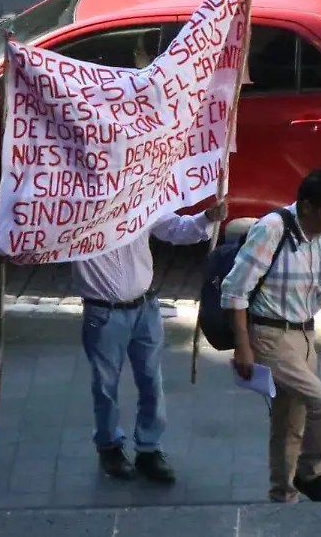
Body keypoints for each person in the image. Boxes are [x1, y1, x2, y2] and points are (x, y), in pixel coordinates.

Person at [223, 169, 321, 504]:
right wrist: (243, 347)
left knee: (289, 422)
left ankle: (283, 495)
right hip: (269, 335)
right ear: (307, 207)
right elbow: (234, 291)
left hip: (305, 335)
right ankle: (311, 473)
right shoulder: (272, 229)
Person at [78, 199, 226, 483]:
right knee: (105, 385)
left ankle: (149, 449)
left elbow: (176, 228)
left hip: (145, 308)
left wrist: (206, 218)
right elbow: (37, 247)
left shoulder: (139, 200)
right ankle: (109, 446)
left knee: (151, 381)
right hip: (103, 312)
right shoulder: (74, 212)